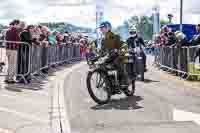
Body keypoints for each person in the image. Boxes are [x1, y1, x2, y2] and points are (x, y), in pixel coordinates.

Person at [99, 21, 129, 91]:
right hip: (109, 57)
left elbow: (123, 44)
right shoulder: (103, 39)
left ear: (108, 28)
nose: (101, 30)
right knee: (101, 66)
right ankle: (108, 83)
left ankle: (125, 82)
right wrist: (98, 56)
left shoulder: (115, 36)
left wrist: (121, 50)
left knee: (118, 64)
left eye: (103, 28)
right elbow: (102, 50)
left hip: (118, 55)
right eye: (101, 28)